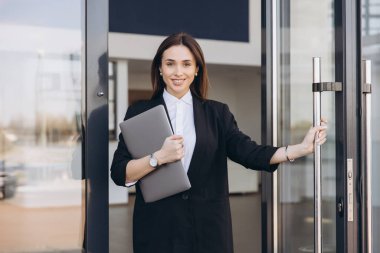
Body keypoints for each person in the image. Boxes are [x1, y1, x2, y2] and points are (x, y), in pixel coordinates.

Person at [110, 32, 327, 253]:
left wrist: (300, 149)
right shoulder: (138, 112)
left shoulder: (217, 113)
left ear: (196, 70)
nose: (178, 72)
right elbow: (119, 173)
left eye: (186, 64)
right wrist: (158, 158)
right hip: (157, 230)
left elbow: (248, 152)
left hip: (207, 231)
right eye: (170, 64)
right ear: (160, 68)